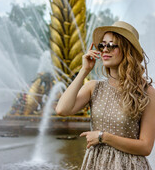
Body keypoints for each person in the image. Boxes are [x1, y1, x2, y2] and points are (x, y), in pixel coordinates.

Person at [56, 21, 155, 170]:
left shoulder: (146, 92)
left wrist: (103, 137)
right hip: (96, 164)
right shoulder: (93, 87)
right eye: (102, 45)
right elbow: (62, 109)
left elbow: (146, 147)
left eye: (112, 45)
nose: (105, 50)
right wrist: (84, 70)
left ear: (127, 50)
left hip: (128, 166)